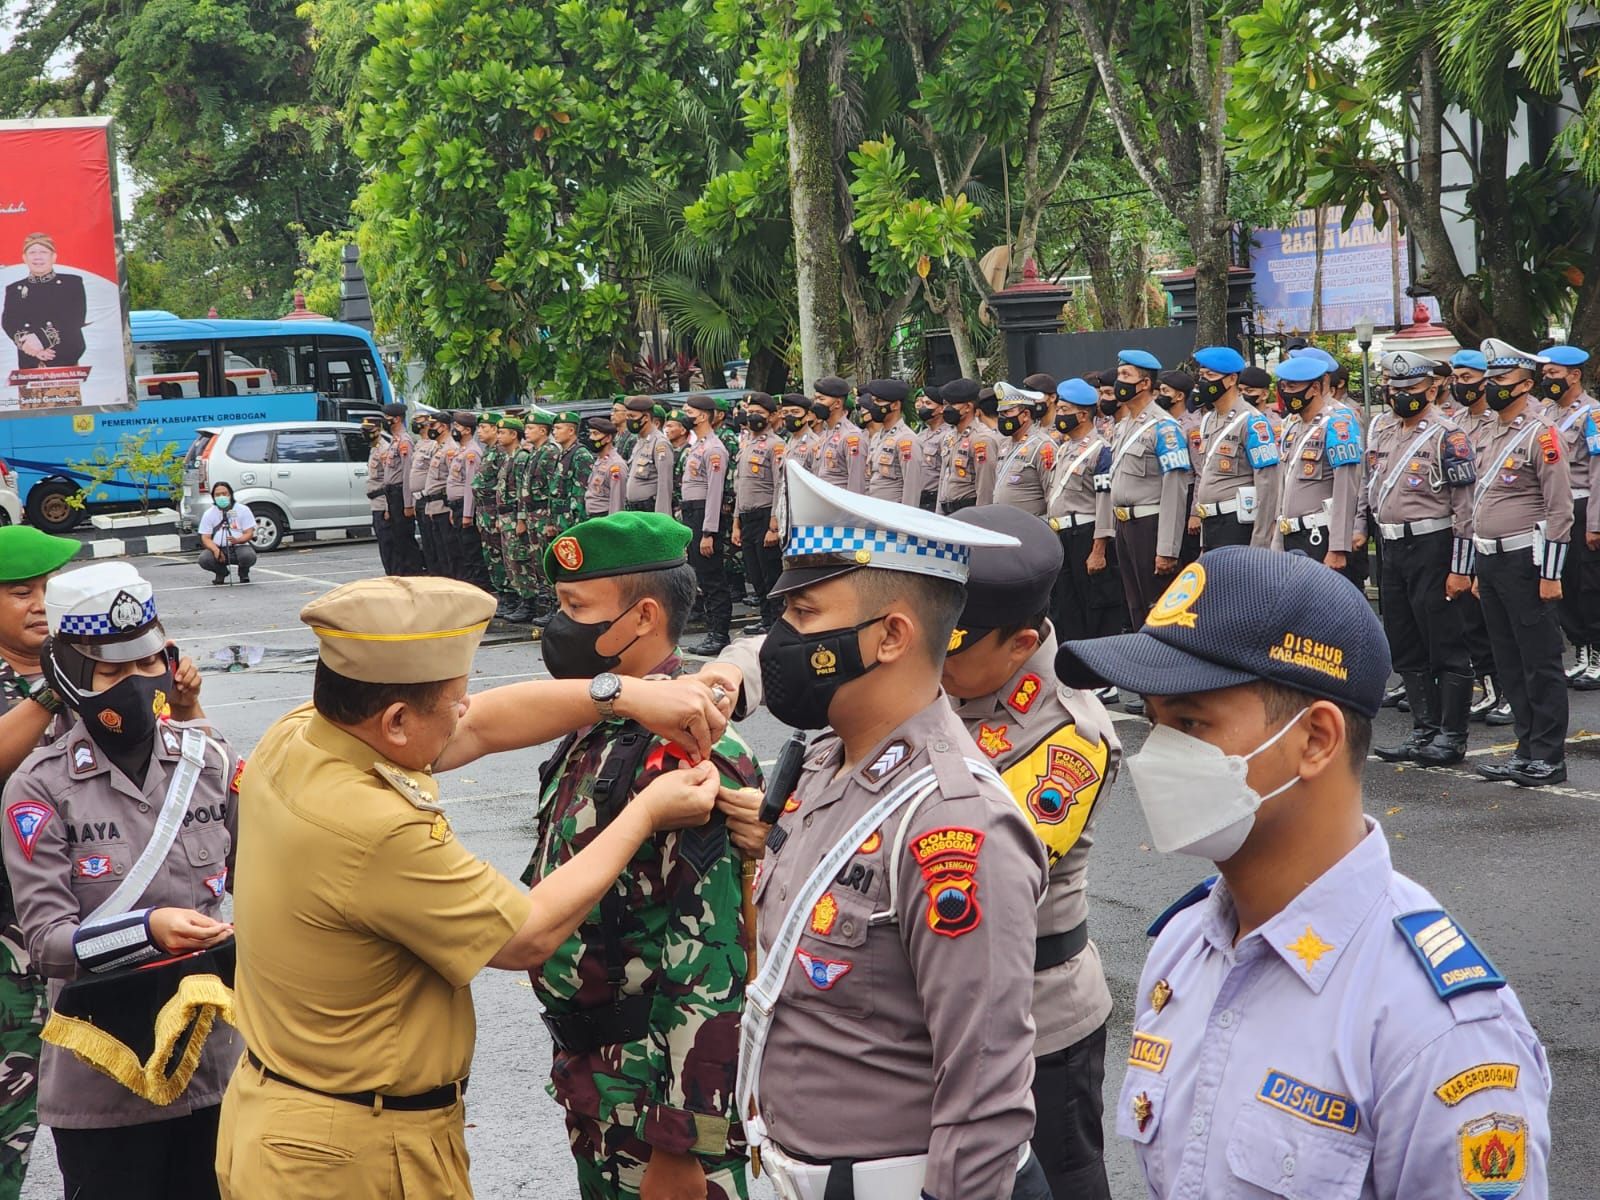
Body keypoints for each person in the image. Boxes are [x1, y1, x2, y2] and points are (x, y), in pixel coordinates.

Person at [1054, 544, 1551, 1199]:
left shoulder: (1437, 1030)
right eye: (1153, 722)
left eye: (1191, 722)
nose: (1157, 753)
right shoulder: (1183, 950)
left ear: (1316, 739)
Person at [215, 575, 730, 1199]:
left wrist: (623, 694)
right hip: (350, 1154)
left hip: (289, 1119)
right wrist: (644, 814)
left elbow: (482, 725)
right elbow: (525, 935)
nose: (466, 709)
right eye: (453, 700)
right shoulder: (374, 828)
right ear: (398, 721)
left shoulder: (302, 735)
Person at [693, 465, 1051, 1200]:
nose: (780, 642)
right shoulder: (828, 758)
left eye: (805, 617)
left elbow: (983, 1101)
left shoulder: (955, 822)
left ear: (891, 636)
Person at [527, 513, 761, 1200]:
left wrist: (684, 1140)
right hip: (599, 1080)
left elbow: (713, 959)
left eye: (575, 608)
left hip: (654, 1093)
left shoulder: (686, 749)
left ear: (643, 616)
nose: (558, 625)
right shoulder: (608, 718)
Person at [4, 563, 229, 1199]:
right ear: (71, 677)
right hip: (106, 1081)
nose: (135, 686)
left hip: (215, 1064)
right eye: (111, 672)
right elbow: (49, 942)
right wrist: (149, 930)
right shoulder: (38, 788)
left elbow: (265, 873)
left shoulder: (206, 759)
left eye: (147, 663)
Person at [943, 506, 1120, 1200]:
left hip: (1039, 1017)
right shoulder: (950, 670)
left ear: (1020, 644)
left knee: (1062, 1184)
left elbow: (981, 873)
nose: (933, 659)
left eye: (951, 646)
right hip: (942, 1008)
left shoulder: (1069, 733)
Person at [0, 528, 81, 1200]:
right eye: (21, 591)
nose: (40, 604)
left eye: (51, 590)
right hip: (7, 942)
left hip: (86, 931)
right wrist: (51, 692)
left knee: (104, 1119)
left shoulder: (88, 668)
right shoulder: (52, 684)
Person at [1364, 351, 1477, 766]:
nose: (1399, 396)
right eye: (1393, 390)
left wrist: (1461, 568)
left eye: (1408, 390)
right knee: (1405, 642)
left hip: (1434, 546)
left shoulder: (1449, 436)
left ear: (1432, 389)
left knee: (1445, 642)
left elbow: (1466, 509)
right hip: (1391, 546)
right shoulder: (1385, 432)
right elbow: (1371, 487)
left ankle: (1451, 735)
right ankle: (1423, 730)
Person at [1470, 339, 1573, 786]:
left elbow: (1560, 510)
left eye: (1502, 382)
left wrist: (1550, 575)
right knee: (1508, 659)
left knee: (1539, 661)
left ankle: (1549, 755)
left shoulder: (1540, 433)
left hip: (1526, 562)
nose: (1492, 388)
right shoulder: (1488, 431)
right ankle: (1524, 748)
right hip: (1490, 561)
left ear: (1527, 385)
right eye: (1489, 381)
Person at [1107, 349, 1192, 624]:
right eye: (1119, 374)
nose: (1119, 381)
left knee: (1160, 608)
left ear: (1144, 384)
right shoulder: (1123, 426)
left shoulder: (1164, 428)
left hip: (1150, 526)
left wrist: (1167, 548)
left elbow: (1175, 488)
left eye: (1125, 375)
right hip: (1124, 526)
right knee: (1136, 607)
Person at [1449, 351, 1511, 723]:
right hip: (1461, 530)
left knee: (1499, 620)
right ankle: (1488, 687)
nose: (1460, 384)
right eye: (1456, 376)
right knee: (1469, 619)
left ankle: (1510, 692)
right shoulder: (1452, 424)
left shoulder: (1499, 423)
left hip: (1495, 530)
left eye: (1468, 376)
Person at [1271, 354, 1364, 588]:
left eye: (1292, 387)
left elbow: (1346, 488)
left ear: (1314, 388)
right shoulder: (1293, 425)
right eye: (1283, 386)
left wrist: (1338, 546)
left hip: (1319, 534)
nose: (1286, 392)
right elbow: (1284, 482)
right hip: (1289, 533)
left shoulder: (1337, 423)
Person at [1538, 345, 1600, 688]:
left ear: (1574, 376)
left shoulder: (1593, 415)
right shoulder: (1546, 413)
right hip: (1554, 509)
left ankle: (1598, 656)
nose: (1548, 381)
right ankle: (1580, 653)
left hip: (1582, 504)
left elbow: (1598, 471)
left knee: (1588, 585)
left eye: (1554, 374)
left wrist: (1596, 523)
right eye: (1545, 375)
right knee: (1564, 586)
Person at [1046, 379, 1121, 643]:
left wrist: (1099, 548)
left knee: (1093, 605)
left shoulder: (1100, 450)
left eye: (1064, 409)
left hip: (1085, 534)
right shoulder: (1064, 448)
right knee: (1066, 606)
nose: (1059, 415)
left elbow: (1105, 501)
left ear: (1081, 414)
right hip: (1060, 534)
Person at [1188, 346, 1280, 550]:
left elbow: (1268, 484)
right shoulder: (1209, 420)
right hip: (1211, 523)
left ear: (1231, 380)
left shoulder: (1252, 422)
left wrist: (1261, 541)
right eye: (1201, 375)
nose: (1203, 381)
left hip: (1237, 523)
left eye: (1210, 375)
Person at [681, 395, 733, 655]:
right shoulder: (698, 445)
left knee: (712, 577)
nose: (683, 414)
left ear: (702, 416)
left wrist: (709, 532)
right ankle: (714, 632)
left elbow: (715, 493)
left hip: (705, 515)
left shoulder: (714, 448)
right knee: (702, 575)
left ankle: (719, 634)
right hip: (693, 512)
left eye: (688, 410)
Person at [731, 391, 785, 634]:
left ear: (772, 416)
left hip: (765, 515)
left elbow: (780, 485)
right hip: (746, 515)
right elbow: (739, 486)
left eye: (759, 414)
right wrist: (735, 523)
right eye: (750, 412)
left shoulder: (775, 446)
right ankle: (765, 618)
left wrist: (774, 524)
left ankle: (777, 620)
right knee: (755, 574)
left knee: (770, 572)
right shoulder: (745, 445)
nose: (752, 417)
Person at [2, 235, 87, 370]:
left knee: (67, 392)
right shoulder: (14, 289)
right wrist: (28, 345)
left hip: (66, 360)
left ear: (54, 257)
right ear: (24, 258)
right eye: (32, 252)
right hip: (29, 362)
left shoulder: (72, 283)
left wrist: (41, 339)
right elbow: (9, 321)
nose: (37, 257)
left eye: (43, 252)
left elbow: (76, 318)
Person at [937, 378, 1002, 513]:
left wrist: (982, 518)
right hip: (948, 511)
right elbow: (944, 478)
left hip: (969, 511)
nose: (946, 409)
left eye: (951, 404)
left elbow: (986, 486)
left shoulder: (981, 439)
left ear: (968, 407)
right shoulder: (950, 436)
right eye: (945, 404)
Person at [991, 382, 1056, 515]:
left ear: (1025, 414)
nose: (1002, 418)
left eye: (1007, 412)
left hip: (1031, 526)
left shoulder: (1042, 446)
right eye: (1000, 413)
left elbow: (1052, 494)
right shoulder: (1005, 444)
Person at [496, 418, 538, 623]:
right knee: (510, 560)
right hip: (506, 517)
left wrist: (521, 519)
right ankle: (522, 599)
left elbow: (523, 491)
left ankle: (529, 602)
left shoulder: (521, 457)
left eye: (502, 432)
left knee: (520, 559)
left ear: (514, 435)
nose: (499, 436)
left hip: (515, 516)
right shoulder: (509, 457)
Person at [861, 379, 921, 508]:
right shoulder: (877, 437)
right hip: (874, 511)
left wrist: (907, 521)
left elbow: (912, 487)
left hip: (894, 514)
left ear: (895, 405)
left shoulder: (906, 439)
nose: (873, 406)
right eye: (873, 401)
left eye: (879, 401)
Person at [380, 402, 424, 574]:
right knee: (397, 537)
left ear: (397, 419)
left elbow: (407, 474)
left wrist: (408, 503)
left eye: (387, 418)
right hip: (392, 494)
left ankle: (413, 571)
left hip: (400, 494)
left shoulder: (405, 442)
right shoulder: (395, 441)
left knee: (405, 537)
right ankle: (403, 571)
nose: (385, 421)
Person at [448, 412, 489, 588]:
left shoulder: (472, 452)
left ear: (466, 430)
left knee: (471, 551)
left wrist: (467, 514)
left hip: (466, 508)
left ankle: (480, 588)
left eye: (456, 427)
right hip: (456, 506)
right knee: (462, 551)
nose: (453, 430)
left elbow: (471, 485)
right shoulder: (461, 451)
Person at [472, 412, 508, 599]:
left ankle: (509, 595)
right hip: (484, 512)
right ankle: (500, 593)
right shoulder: (489, 451)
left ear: (495, 429)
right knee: (490, 555)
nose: (479, 431)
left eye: (483, 428)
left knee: (499, 554)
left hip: (494, 511)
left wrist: (498, 515)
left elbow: (502, 486)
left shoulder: (501, 453)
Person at [811, 375, 867, 494]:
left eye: (821, 399)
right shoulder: (825, 435)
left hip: (841, 508)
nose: (816, 403)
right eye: (815, 399)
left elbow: (856, 484)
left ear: (837, 403)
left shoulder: (851, 436)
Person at [422, 414, 460, 579]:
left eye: (433, 425)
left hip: (445, 506)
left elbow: (453, 480)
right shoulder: (437, 447)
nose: (429, 428)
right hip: (434, 506)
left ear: (443, 426)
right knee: (439, 551)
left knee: (451, 552)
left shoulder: (451, 448)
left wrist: (452, 508)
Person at [197, 482, 257, 585]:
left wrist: (238, 540)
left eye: (224, 494)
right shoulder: (209, 514)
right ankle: (221, 572)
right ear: (213, 497)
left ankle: (243, 572)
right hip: (219, 548)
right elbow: (205, 537)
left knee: (248, 556)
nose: (221, 497)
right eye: (218, 495)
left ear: (230, 494)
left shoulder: (243, 510)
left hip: (240, 546)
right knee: (204, 559)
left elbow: (249, 533)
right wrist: (215, 550)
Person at [624, 396, 675, 515]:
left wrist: (661, 519)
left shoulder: (660, 443)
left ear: (646, 417)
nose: (629, 420)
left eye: (632, 416)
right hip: (634, 510)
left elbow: (665, 485)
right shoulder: (640, 441)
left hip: (649, 510)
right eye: (627, 416)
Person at [361, 416, 396, 574]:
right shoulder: (374, 448)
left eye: (369, 431)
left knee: (388, 544)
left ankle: (392, 574)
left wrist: (389, 508)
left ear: (379, 430)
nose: (365, 434)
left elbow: (389, 482)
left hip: (383, 504)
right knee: (382, 543)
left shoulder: (384, 450)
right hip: (376, 503)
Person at [409, 414, 442, 575]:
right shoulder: (419, 444)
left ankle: (438, 573)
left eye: (420, 421)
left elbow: (433, 474)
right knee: (426, 541)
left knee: (435, 541)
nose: (416, 424)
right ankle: (431, 571)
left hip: (430, 497)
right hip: (419, 499)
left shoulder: (434, 446)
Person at [581, 416, 627, 518]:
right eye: (590, 433)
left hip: (604, 517)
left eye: (595, 434)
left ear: (608, 438)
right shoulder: (600, 460)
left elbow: (617, 502)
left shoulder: (615, 465)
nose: (591, 438)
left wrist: (612, 525)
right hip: (593, 517)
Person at [913, 385, 947, 511]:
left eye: (928, 403)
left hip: (934, 499)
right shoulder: (920, 435)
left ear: (941, 408)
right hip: (919, 498)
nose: (923, 407)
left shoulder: (947, 436)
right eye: (922, 403)